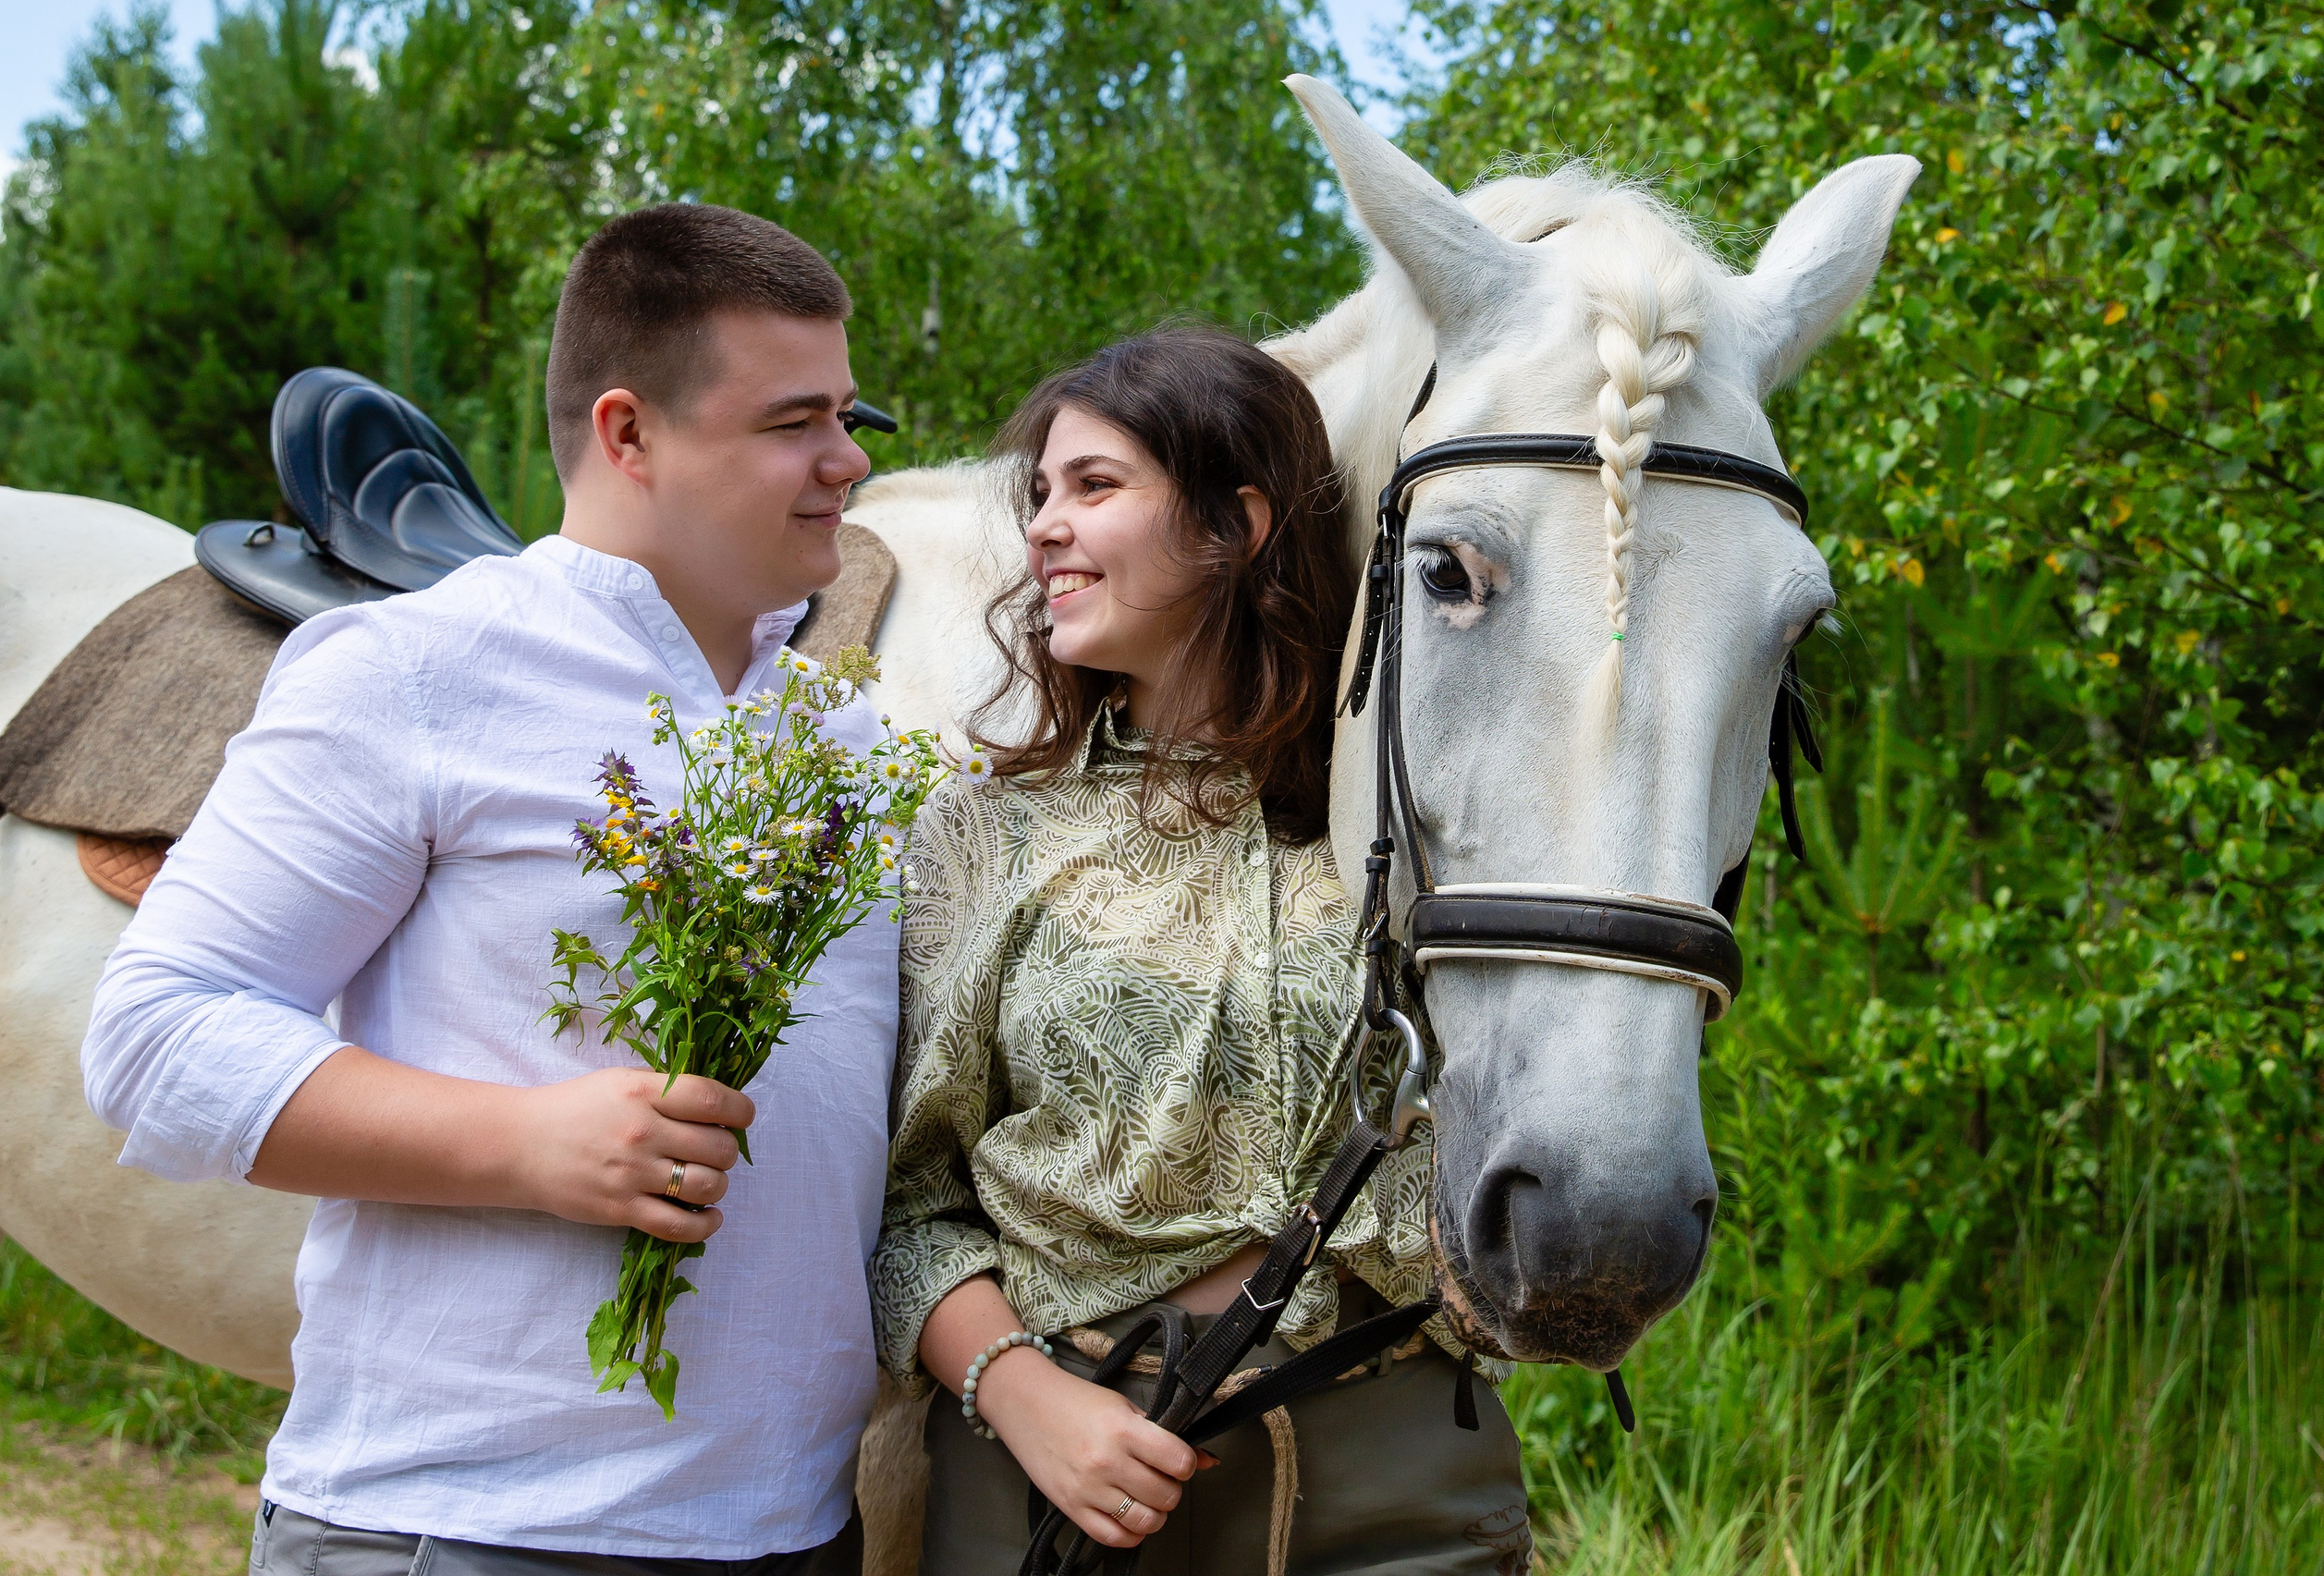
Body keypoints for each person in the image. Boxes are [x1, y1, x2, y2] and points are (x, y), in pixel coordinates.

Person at [83, 204, 886, 1575]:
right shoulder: (410, 670)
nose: (849, 461)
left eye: (849, 415)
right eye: (793, 422)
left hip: (795, 1532)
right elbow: (155, 1039)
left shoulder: (844, 730)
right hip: (468, 1528)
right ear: (629, 434)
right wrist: (530, 1146)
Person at [869, 326, 1533, 1576]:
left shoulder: (1411, 829)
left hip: (1396, 1483)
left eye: (1095, 486)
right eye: (1041, 496)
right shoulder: (981, 836)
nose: (1045, 530)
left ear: (1237, 523)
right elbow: (910, 1210)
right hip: (1056, 1495)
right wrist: (1024, 1398)